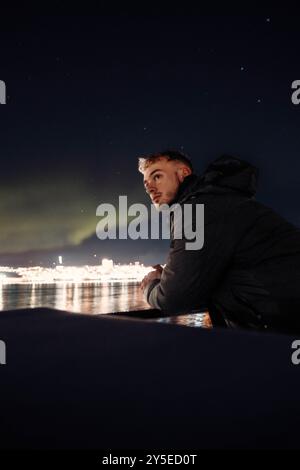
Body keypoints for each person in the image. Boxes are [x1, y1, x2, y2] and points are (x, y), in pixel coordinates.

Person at [139, 150, 300, 333]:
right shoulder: (218, 202)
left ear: (183, 173)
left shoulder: (198, 209)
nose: (150, 188)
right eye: (146, 185)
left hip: (282, 329)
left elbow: (174, 298)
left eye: (157, 176)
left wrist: (150, 286)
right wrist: (169, 278)